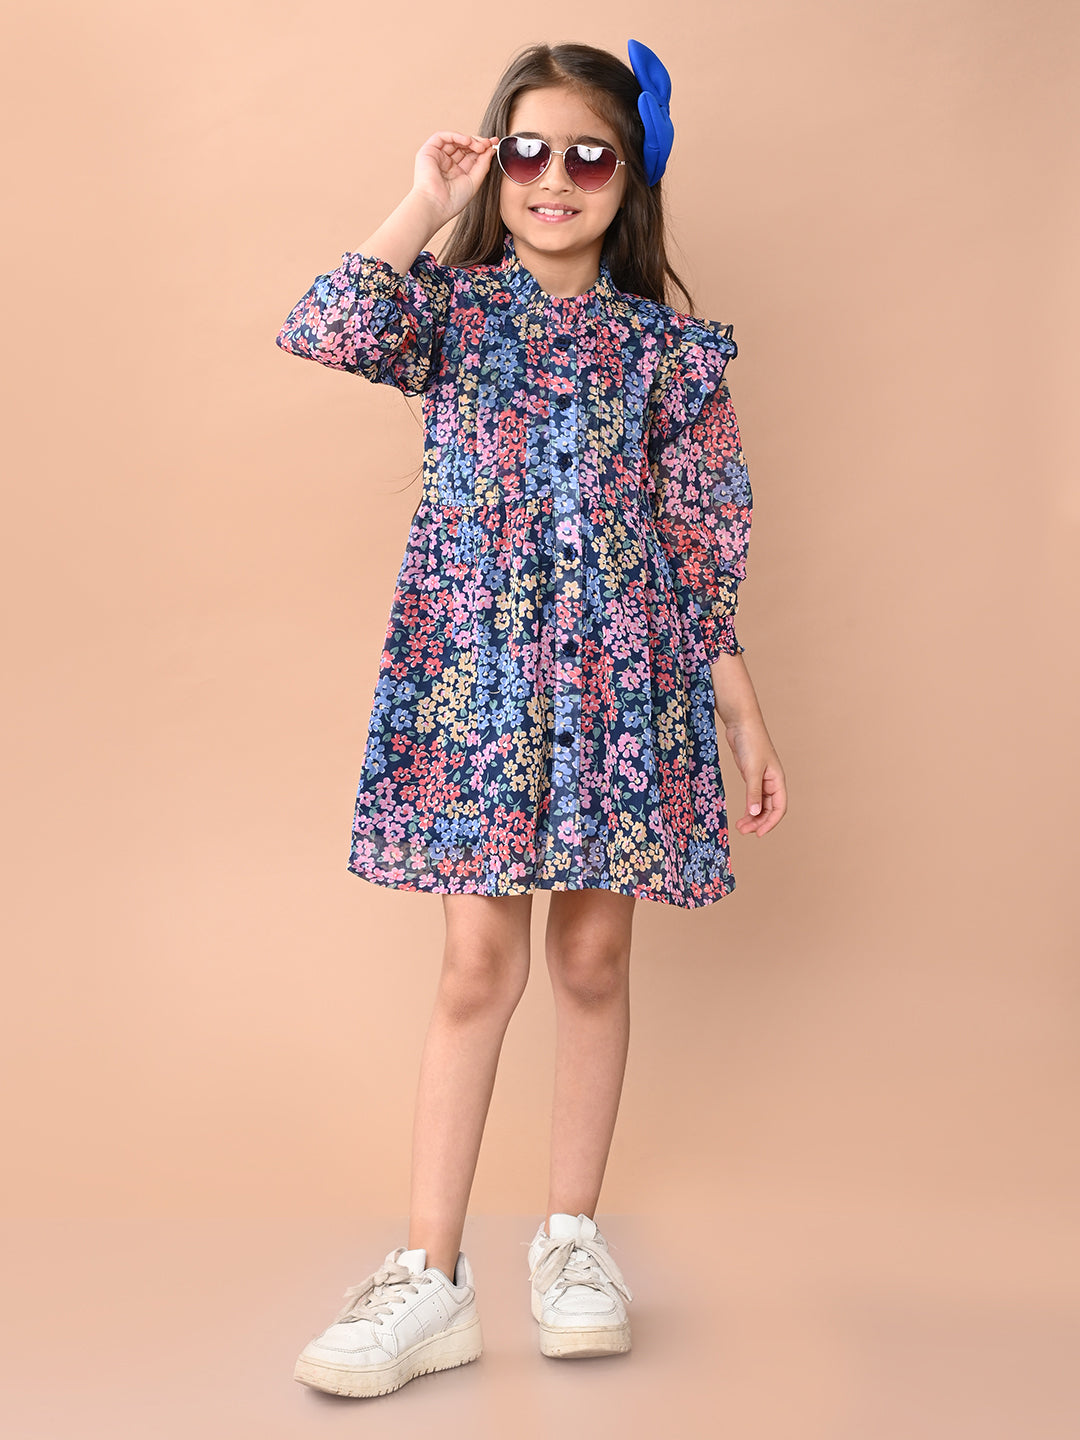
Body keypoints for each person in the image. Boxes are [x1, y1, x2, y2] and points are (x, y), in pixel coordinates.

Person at [275, 38, 788, 1399]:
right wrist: (423, 200)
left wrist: (739, 709)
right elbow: (327, 322)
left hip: (625, 679)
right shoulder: (450, 313)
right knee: (475, 966)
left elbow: (699, 536)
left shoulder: (669, 353)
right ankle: (429, 1275)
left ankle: (570, 1243)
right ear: (497, 165)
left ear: (631, 179)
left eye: (589, 155)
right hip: (479, 678)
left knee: (596, 959)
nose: (555, 178)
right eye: (528, 150)